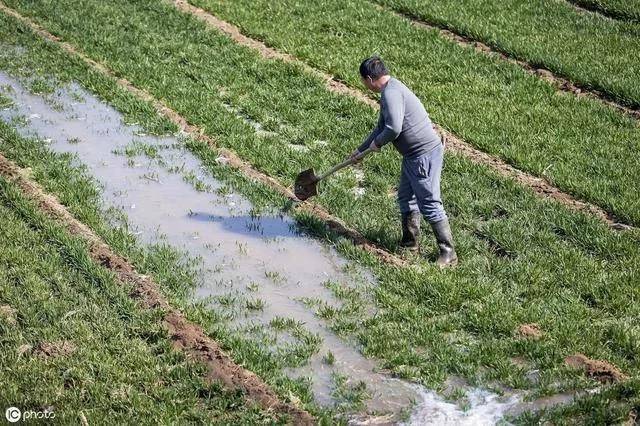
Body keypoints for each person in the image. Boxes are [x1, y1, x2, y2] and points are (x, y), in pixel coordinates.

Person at [350, 56, 457, 267]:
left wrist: (378, 144)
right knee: (406, 198)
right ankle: (410, 244)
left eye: (363, 82)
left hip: (423, 154)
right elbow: (381, 128)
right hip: (412, 156)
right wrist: (360, 151)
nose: (364, 85)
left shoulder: (391, 94)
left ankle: (448, 253)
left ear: (370, 79)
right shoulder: (391, 89)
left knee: (429, 202)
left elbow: (393, 129)